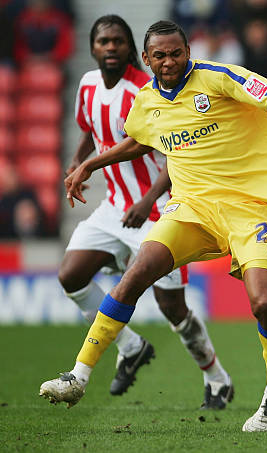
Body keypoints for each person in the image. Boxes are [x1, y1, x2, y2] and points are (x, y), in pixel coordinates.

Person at [40, 20, 267, 432]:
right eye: (159, 55)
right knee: (135, 274)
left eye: (176, 52)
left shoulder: (218, 78)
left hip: (249, 210)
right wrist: (90, 163)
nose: (169, 61)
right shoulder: (146, 100)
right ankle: (78, 375)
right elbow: (139, 140)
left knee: (264, 304)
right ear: (146, 59)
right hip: (190, 209)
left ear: (187, 50)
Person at [54, 15, 233, 409]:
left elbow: (177, 149)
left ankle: (217, 378)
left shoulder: (146, 89)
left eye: (118, 41)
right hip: (114, 206)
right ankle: (131, 346)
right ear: (93, 48)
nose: (111, 47)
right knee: (71, 275)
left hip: (157, 210)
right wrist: (78, 163)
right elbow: (90, 128)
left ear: (133, 49)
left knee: (174, 310)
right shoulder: (86, 85)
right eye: (104, 42)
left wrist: (149, 199)